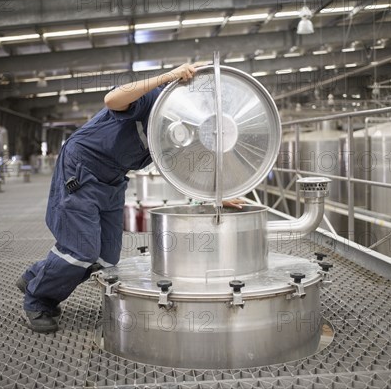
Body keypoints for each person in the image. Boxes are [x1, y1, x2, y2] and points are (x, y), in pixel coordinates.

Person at [16, 62, 245, 333]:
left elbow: (180, 173)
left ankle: (37, 275)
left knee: (106, 258)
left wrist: (213, 199)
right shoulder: (153, 98)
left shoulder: (184, 129)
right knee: (80, 250)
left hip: (112, 179)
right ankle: (37, 300)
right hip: (81, 170)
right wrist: (167, 76)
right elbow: (111, 99)